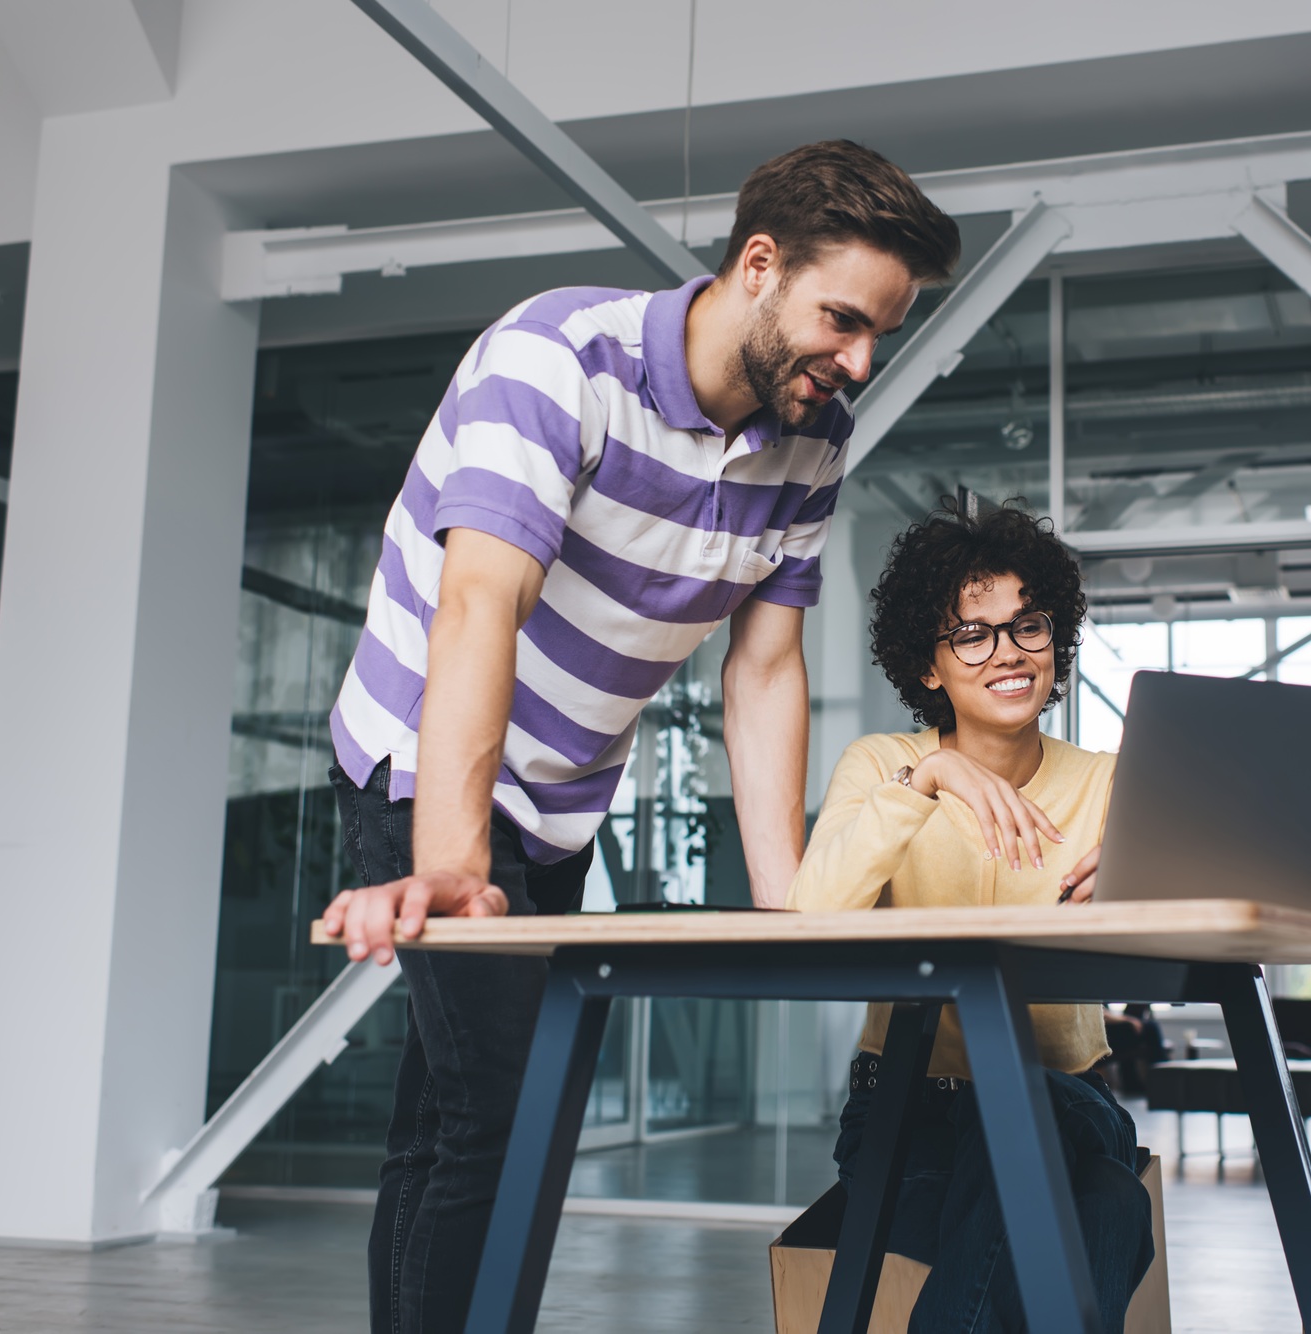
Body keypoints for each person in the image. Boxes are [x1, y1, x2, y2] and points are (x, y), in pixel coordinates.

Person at [317, 141, 960, 1332]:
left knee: (449, 1117)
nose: (858, 360)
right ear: (757, 264)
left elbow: (762, 669)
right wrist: (452, 864)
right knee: (507, 1112)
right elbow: (477, 610)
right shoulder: (556, 359)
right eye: (841, 320)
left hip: (562, 794)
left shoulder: (809, 439)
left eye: (879, 332)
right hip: (426, 765)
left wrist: (784, 905)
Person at [786, 502, 1155, 1334]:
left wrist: (1146, 893)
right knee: (1108, 1210)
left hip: (1067, 1098)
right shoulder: (884, 765)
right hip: (907, 1118)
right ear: (928, 664)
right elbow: (812, 914)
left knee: (1023, 1109)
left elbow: (1175, 958)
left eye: (1028, 626)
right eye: (973, 635)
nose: (1009, 655)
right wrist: (931, 779)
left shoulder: (1112, 782)